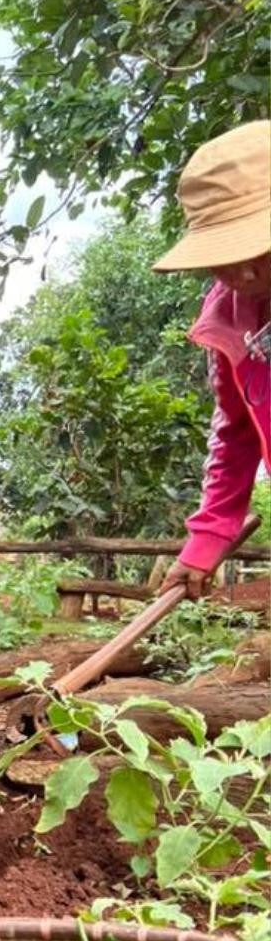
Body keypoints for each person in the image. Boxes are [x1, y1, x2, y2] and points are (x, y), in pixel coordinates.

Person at [152, 119, 270, 596]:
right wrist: (207, 540)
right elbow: (237, 432)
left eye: (258, 246)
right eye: (225, 253)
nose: (241, 270)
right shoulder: (230, 318)